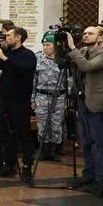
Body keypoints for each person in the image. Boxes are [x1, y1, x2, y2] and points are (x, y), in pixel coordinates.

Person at [65, 27, 103, 195]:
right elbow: (63, 63)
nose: (86, 35)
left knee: (99, 144)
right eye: (84, 33)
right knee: (86, 142)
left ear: (100, 38)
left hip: (98, 103)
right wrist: (61, 46)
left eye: (90, 33)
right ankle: (89, 176)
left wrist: (72, 47)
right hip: (83, 101)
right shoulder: (83, 51)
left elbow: (86, 67)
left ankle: (102, 181)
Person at [0, 26, 37, 179]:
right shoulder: (7, 53)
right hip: (4, 99)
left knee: (23, 135)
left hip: (20, 101)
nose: (6, 37)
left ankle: (27, 166)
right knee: (5, 133)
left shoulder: (27, 55)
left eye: (9, 35)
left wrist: (5, 59)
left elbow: (22, 70)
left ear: (18, 37)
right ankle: (8, 164)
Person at [32, 33, 66, 163]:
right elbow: (33, 80)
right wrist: (32, 99)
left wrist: (68, 99)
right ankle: (44, 151)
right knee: (42, 124)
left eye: (48, 45)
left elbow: (68, 80)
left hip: (58, 97)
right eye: (44, 45)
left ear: (55, 46)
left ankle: (53, 151)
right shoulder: (38, 59)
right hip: (41, 96)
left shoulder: (62, 60)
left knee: (56, 125)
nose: (45, 47)